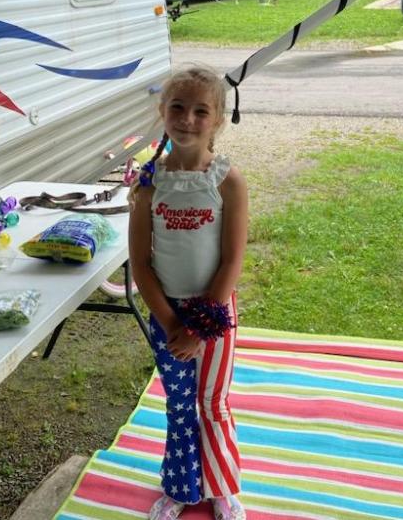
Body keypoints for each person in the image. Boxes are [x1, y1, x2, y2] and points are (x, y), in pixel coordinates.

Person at [128, 66, 248, 520]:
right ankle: (182, 486)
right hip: (166, 313)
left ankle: (220, 485)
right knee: (180, 404)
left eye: (201, 111)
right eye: (177, 107)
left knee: (212, 402)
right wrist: (172, 322)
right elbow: (141, 263)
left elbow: (231, 261)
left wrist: (200, 326)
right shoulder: (148, 184)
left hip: (214, 310)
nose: (188, 119)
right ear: (162, 112)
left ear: (217, 120)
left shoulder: (227, 182)